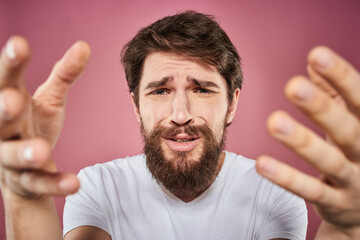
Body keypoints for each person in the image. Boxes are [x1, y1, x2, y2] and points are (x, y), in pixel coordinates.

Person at [0, 10, 359, 240]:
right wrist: (25, 200)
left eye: (202, 89)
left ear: (232, 103)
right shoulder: (98, 187)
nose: (181, 114)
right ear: (136, 107)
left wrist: (346, 229)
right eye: (159, 90)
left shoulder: (274, 194)